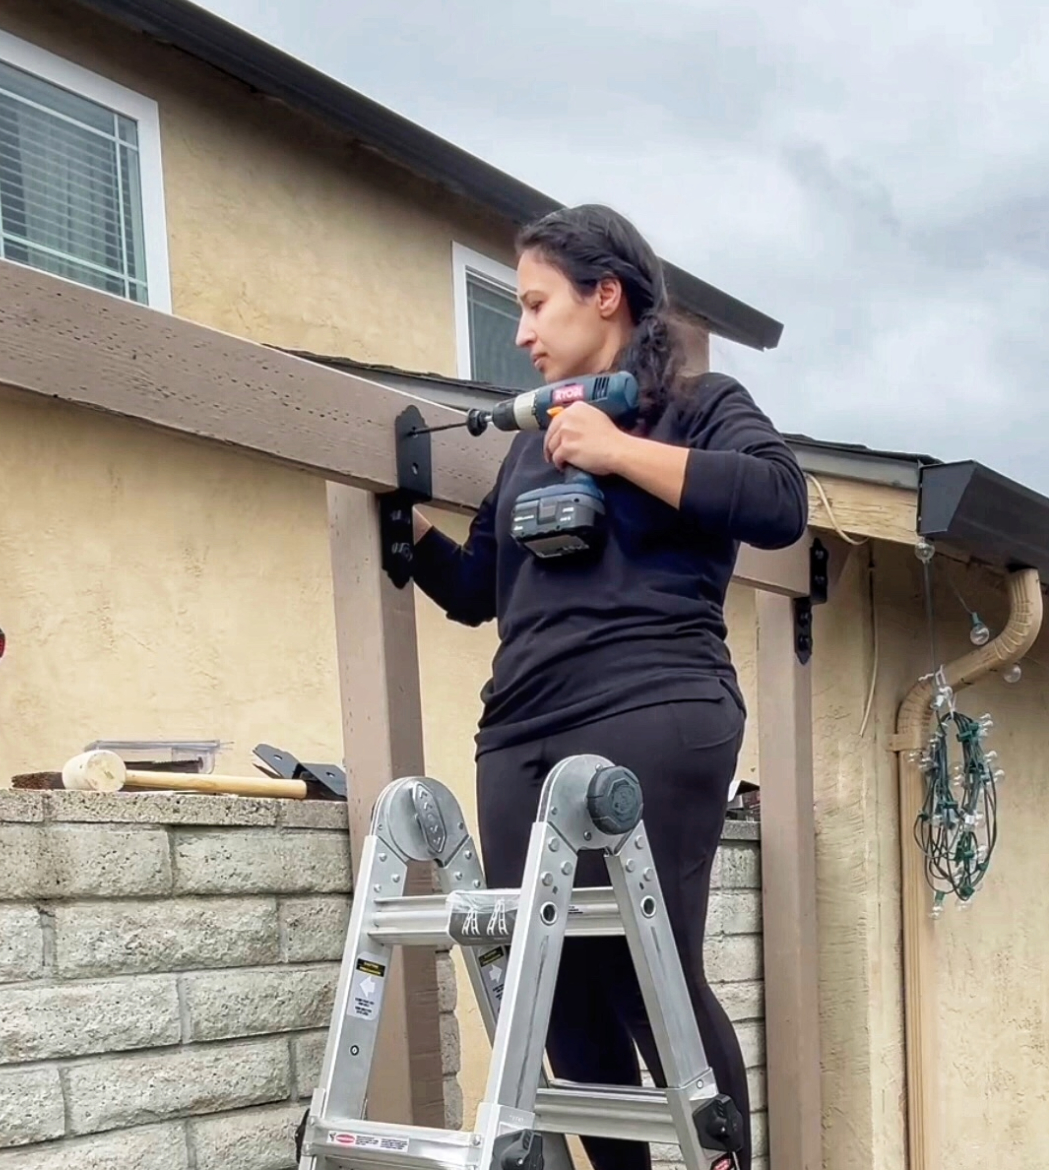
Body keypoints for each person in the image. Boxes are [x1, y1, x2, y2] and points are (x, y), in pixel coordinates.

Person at [409, 204, 808, 1170]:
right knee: (560, 995)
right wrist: (406, 531)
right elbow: (478, 590)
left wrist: (618, 451)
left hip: (656, 706)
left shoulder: (703, 402)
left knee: (647, 971)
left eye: (538, 304)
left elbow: (778, 503)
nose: (523, 332)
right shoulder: (524, 443)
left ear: (606, 295)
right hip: (520, 730)